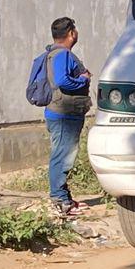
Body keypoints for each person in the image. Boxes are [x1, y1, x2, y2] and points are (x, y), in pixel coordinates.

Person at [42, 17, 92, 216]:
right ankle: (60, 200)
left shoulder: (54, 53)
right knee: (62, 156)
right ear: (71, 33)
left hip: (61, 113)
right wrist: (83, 80)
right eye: (75, 30)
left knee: (62, 155)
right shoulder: (62, 54)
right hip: (64, 115)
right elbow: (62, 81)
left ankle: (64, 197)